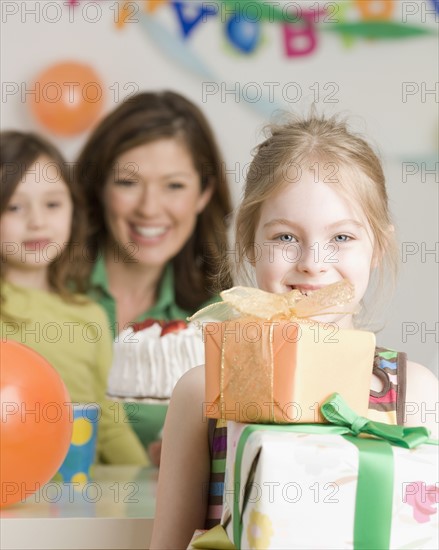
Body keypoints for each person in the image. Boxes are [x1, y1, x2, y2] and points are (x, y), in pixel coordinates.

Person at [149, 112, 439, 549]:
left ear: (377, 247)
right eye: (285, 237)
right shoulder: (202, 391)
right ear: (249, 242)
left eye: (341, 238)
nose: (312, 262)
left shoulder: (413, 392)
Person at [75, 91, 233, 462]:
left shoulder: (216, 320)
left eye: (174, 186)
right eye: (128, 183)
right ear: (100, 187)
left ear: (203, 193)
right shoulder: (45, 291)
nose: (149, 208)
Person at [0, 130, 149, 465]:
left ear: (72, 209)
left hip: (78, 504)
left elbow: (111, 426)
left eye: (52, 204)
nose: (37, 222)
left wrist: (154, 487)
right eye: (14, 206)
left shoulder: (90, 315)